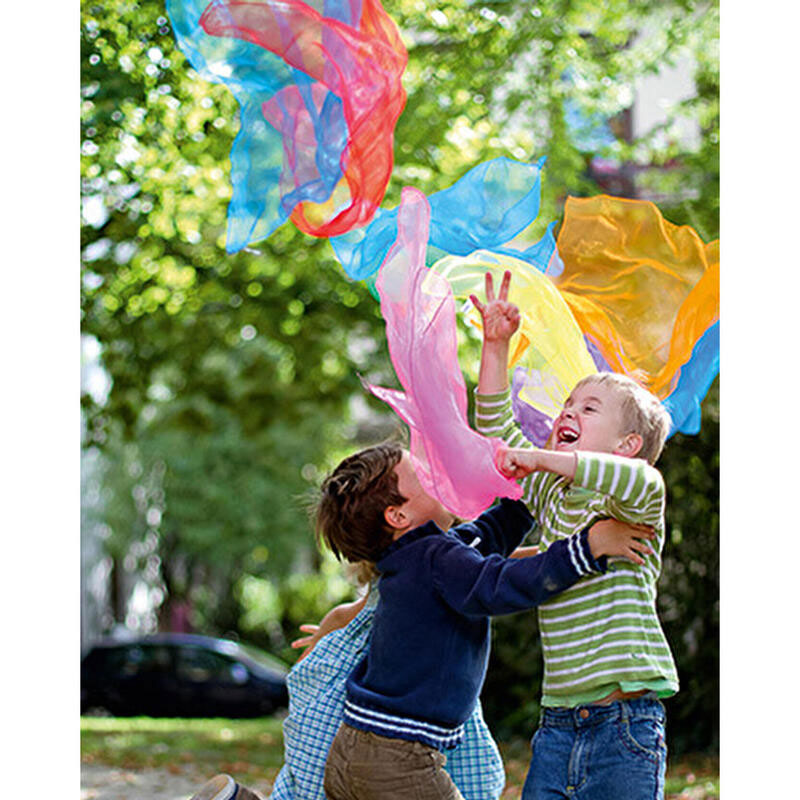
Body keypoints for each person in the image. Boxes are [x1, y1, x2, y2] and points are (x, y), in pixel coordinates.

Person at [314, 442, 654, 800]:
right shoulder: (434, 557)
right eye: (425, 476)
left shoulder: (417, 557)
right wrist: (587, 547)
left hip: (356, 748)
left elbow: (488, 535)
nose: (439, 476)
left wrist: (531, 484)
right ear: (398, 516)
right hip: (398, 762)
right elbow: (499, 585)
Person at [471, 270, 679, 800]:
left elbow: (642, 479)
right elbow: (497, 428)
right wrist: (496, 347)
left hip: (625, 723)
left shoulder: (632, 503)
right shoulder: (554, 498)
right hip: (557, 726)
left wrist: (541, 456)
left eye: (588, 408)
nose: (567, 411)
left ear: (627, 444)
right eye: (568, 405)